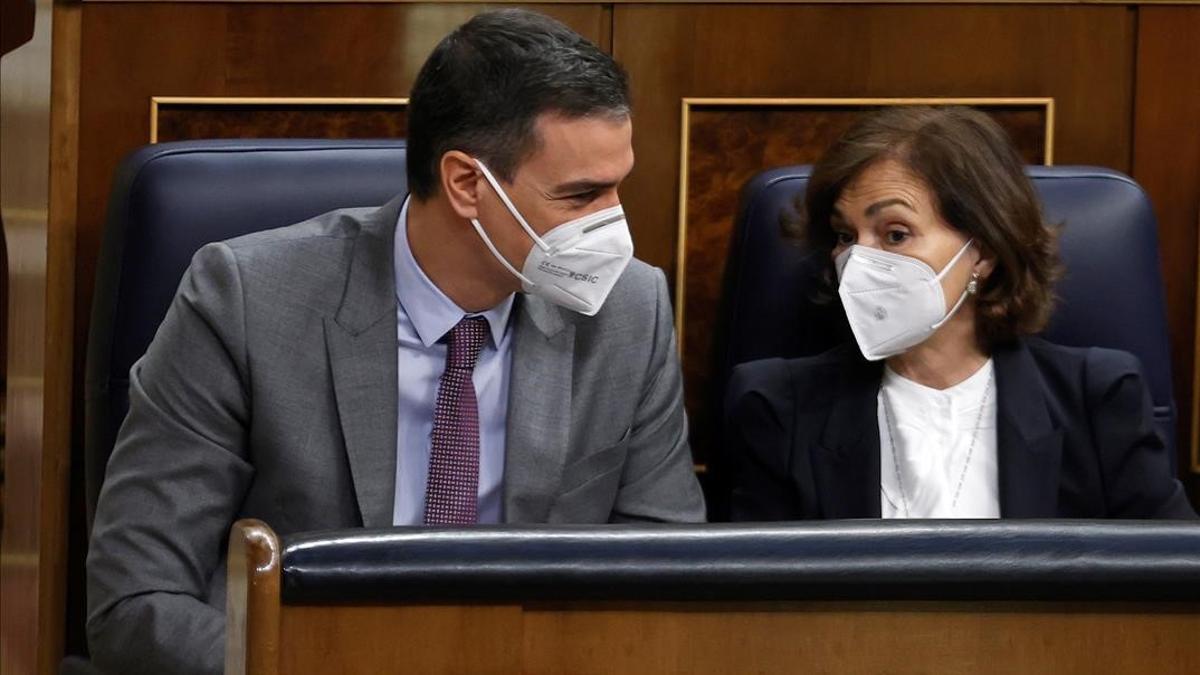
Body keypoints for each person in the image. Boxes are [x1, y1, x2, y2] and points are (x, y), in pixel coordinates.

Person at [86, 10, 705, 674]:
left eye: (618, 187)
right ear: (468, 184)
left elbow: (666, 579)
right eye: (581, 194)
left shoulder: (627, 309)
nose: (613, 224)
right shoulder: (243, 300)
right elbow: (138, 598)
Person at [726, 106, 1197, 522]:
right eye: (846, 236)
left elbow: (1168, 584)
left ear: (984, 253)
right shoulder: (779, 407)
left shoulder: (1098, 401)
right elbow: (759, 605)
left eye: (894, 235)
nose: (858, 262)